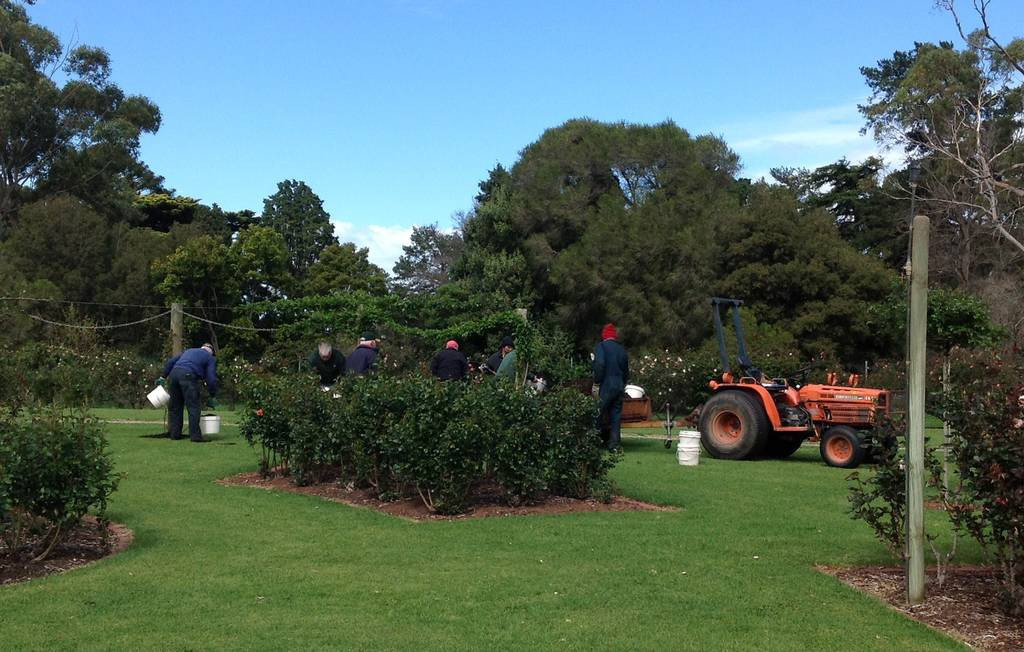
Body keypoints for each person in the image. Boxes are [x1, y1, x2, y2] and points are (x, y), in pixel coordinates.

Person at [159, 343, 219, 442]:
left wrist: (163, 376)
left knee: (175, 407)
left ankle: (175, 434)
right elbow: (211, 378)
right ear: (211, 352)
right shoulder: (210, 358)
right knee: (193, 407)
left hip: (174, 375)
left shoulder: (189, 351)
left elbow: (170, 362)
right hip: (188, 376)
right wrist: (212, 394)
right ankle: (195, 436)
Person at [593, 323, 629, 452]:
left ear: (604, 335)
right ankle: (614, 445)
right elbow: (626, 370)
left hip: (606, 385)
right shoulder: (621, 349)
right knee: (615, 416)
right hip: (619, 386)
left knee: (597, 412)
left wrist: (597, 381)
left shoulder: (601, 347)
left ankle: (593, 443)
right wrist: (623, 383)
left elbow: (600, 364)